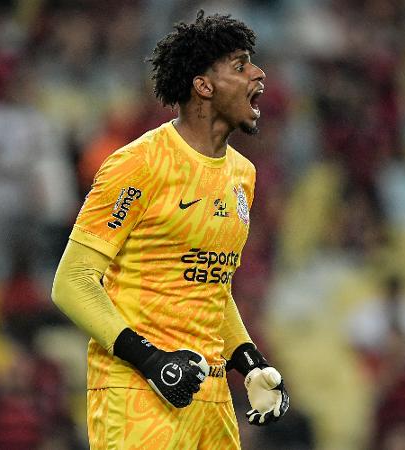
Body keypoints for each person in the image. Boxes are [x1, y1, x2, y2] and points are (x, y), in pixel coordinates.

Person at [52, 10, 289, 449]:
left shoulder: (243, 174)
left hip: (211, 398)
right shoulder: (138, 164)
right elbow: (72, 281)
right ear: (204, 85)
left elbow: (211, 284)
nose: (259, 73)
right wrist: (150, 360)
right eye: (240, 65)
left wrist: (249, 360)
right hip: (138, 392)